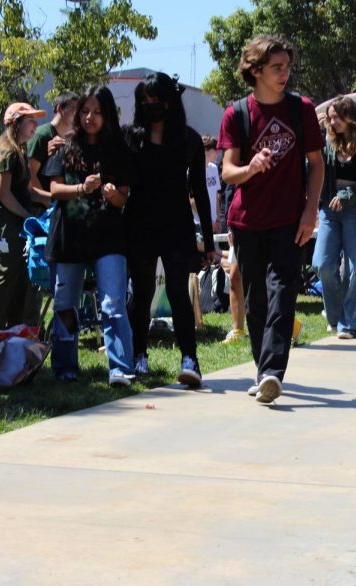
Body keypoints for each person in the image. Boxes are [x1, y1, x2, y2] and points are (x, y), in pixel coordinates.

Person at [217, 34, 325, 404]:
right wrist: (251, 167)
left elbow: (316, 163)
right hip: (247, 221)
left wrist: (310, 210)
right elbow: (228, 172)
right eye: (277, 68)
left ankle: (272, 373)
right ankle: (263, 370)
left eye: (287, 67)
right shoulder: (237, 114)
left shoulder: (301, 109)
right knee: (256, 301)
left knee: (283, 294)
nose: (285, 74)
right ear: (256, 70)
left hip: (289, 219)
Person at [125, 72, 215, 388]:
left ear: (169, 101)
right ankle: (139, 354)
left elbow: (200, 190)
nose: (150, 106)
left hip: (177, 223)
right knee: (143, 290)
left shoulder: (189, 139)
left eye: (156, 100)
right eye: (144, 101)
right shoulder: (132, 137)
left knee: (178, 291)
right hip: (139, 222)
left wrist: (207, 236)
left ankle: (190, 358)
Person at [42, 85, 136, 385]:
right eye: (84, 111)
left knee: (113, 304)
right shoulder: (64, 145)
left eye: (97, 112)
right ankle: (65, 367)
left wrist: (112, 195)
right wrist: (83, 188)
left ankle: (120, 368)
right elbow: (54, 189)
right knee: (65, 304)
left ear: (108, 115)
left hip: (109, 239)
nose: (89, 118)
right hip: (69, 237)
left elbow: (124, 198)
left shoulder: (119, 149)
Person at [0, 101, 50, 332]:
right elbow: (3, 193)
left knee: (22, 276)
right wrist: (26, 216)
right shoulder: (8, 151)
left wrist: (54, 198)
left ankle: (14, 330)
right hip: (6, 221)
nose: (35, 124)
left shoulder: (21, 150)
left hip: (19, 221)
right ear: (16, 123)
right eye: (30, 120)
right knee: (6, 274)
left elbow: (28, 190)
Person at [312, 96, 356, 339]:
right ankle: (334, 316)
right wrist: (317, 128)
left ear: (350, 117)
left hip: (355, 209)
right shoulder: (327, 141)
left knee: (355, 267)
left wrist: (350, 194)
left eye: (336, 117)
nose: (332, 121)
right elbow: (312, 163)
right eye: (330, 116)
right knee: (322, 264)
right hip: (328, 209)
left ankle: (348, 323)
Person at [28, 92, 79, 206]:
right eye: (73, 109)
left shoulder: (66, 139)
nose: (77, 114)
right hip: (39, 210)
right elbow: (30, 175)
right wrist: (48, 203)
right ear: (60, 108)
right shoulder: (42, 135)